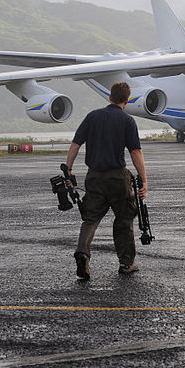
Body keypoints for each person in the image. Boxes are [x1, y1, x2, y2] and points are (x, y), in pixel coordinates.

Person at [65, 82, 148, 280]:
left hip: (94, 176)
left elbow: (75, 145)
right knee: (124, 219)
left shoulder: (92, 116)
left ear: (109, 97)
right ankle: (126, 263)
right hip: (118, 177)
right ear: (127, 101)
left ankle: (83, 253)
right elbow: (135, 152)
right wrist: (144, 179)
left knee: (91, 219)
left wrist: (68, 170)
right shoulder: (127, 120)